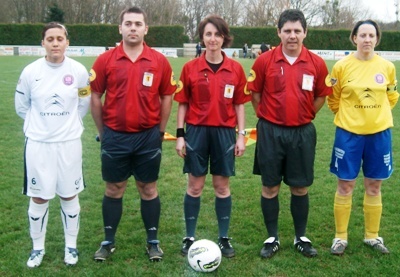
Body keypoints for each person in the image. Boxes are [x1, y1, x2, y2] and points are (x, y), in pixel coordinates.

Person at [90, 6, 176, 262]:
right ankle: (107, 242)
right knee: (114, 188)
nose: (133, 28)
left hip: (147, 136)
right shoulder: (106, 60)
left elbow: (167, 95)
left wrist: (160, 129)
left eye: (138, 24)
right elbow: (95, 96)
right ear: (120, 28)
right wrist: (102, 132)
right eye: (128, 23)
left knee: (148, 188)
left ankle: (153, 242)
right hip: (115, 136)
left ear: (145, 29)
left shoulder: (158, 61)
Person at [247, 9, 332, 259]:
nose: (292, 36)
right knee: (270, 186)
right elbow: (255, 95)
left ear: (305, 32)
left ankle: (300, 237)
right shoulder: (264, 61)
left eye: (297, 30)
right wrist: (268, 119)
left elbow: (320, 97)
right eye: (287, 31)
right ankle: (272, 237)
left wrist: (304, 115)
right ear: (279, 33)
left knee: (300, 187)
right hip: (270, 132)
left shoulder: (316, 63)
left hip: (302, 133)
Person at [15, 22, 91, 267]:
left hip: (69, 144)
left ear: (67, 42)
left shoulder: (79, 71)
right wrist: (42, 127)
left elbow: (84, 104)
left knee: (69, 194)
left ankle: (72, 246)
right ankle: (37, 249)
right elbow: (22, 107)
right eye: (50, 39)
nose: (55, 43)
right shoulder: (30, 72)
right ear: (43, 43)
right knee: (39, 198)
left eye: (60, 38)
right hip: (38, 145)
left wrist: (67, 125)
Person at [174, 14, 251, 258]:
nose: (213, 39)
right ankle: (189, 236)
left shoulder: (236, 69)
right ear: (202, 38)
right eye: (208, 34)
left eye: (217, 34)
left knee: (222, 186)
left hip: (224, 133)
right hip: (196, 132)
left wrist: (241, 135)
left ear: (224, 38)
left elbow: (240, 104)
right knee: (195, 186)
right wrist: (180, 135)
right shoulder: (190, 68)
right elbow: (182, 104)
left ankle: (224, 237)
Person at [327, 19, 398, 255]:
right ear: (354, 38)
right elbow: (333, 99)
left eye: (371, 35)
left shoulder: (387, 67)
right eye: (363, 35)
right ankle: (340, 237)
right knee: (345, 184)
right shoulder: (341, 66)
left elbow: (392, 97)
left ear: (377, 39)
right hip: (348, 134)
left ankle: (372, 236)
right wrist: (351, 117)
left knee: (374, 185)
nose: (367, 40)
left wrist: (375, 117)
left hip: (379, 134)